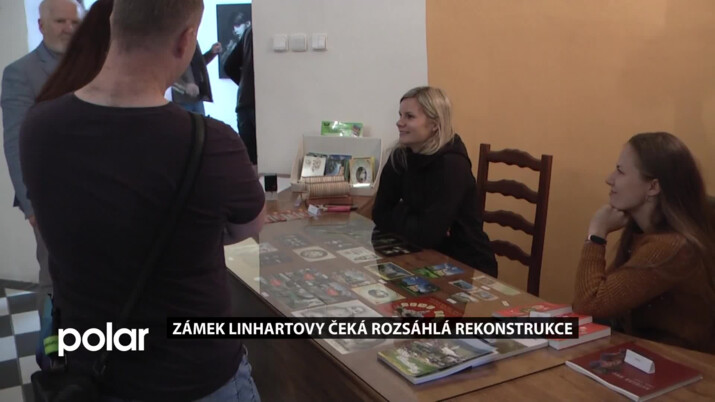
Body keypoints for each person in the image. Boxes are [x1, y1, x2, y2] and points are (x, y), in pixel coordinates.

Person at [20, 0, 265, 400]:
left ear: (113, 24)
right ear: (186, 40)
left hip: (92, 368)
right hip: (195, 373)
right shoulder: (212, 143)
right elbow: (248, 227)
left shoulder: (39, 126)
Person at [573, 132, 715, 353]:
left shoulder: (670, 247)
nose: (609, 179)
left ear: (653, 187)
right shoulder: (641, 230)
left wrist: (596, 234)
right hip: (641, 350)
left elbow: (589, 303)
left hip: (676, 361)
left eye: (620, 171)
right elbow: (600, 299)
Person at [1, 0, 83, 314]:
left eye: (74, 22)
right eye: (61, 21)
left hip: (97, 192)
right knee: (54, 279)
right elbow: (15, 142)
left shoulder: (94, 66)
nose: (69, 29)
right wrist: (31, 206)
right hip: (49, 199)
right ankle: (53, 342)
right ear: (41, 25)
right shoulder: (20, 73)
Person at [372, 86, 497, 276]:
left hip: (465, 263)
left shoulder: (452, 165)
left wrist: (400, 210)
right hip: (419, 256)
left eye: (409, 116)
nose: (399, 123)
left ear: (435, 124)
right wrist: (416, 217)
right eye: (400, 115)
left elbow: (426, 235)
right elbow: (379, 213)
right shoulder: (401, 155)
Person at [224, 21, 256, 165]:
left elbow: (229, 65)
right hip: (259, 106)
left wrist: (245, 84)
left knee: (251, 161)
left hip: (244, 103)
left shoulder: (249, 31)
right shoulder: (267, 30)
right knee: (269, 161)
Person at [171, 42, 222, 115]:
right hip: (183, 100)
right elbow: (167, 73)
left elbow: (198, 65)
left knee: (200, 122)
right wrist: (184, 87)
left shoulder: (193, 42)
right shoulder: (173, 41)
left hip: (198, 97)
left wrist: (211, 53)